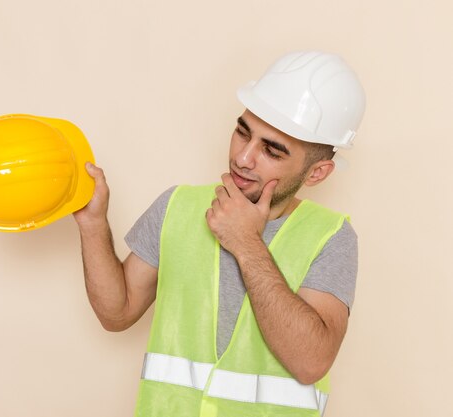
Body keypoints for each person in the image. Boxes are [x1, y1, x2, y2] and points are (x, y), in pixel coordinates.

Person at [73, 50, 366, 417]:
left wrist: (245, 241)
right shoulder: (178, 206)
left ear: (316, 173)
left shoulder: (331, 237)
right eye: (243, 132)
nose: (243, 157)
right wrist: (92, 223)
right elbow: (117, 313)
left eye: (271, 150)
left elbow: (311, 361)